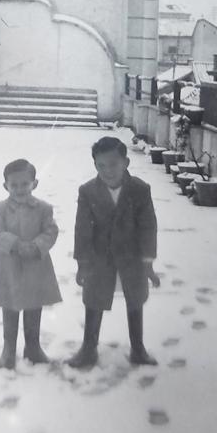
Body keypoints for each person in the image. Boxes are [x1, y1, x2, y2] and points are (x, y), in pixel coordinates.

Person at [68, 136, 161, 369]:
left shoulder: (140, 190)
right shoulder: (88, 191)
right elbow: (82, 230)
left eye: (113, 164)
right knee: (93, 300)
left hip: (132, 258)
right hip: (100, 258)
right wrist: (82, 263)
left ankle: (138, 348)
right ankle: (88, 348)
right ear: (95, 166)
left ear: (126, 162)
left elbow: (148, 227)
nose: (107, 171)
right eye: (101, 166)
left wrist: (147, 263)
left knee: (135, 300)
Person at [0, 159, 62, 370]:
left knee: (33, 305)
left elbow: (51, 231)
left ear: (34, 184)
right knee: (10, 306)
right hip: (7, 265)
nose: (20, 189)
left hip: (35, 266)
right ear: (5, 186)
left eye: (25, 184)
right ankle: (8, 349)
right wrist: (15, 244)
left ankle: (33, 347)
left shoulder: (44, 209)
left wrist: (37, 246)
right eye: (14, 185)